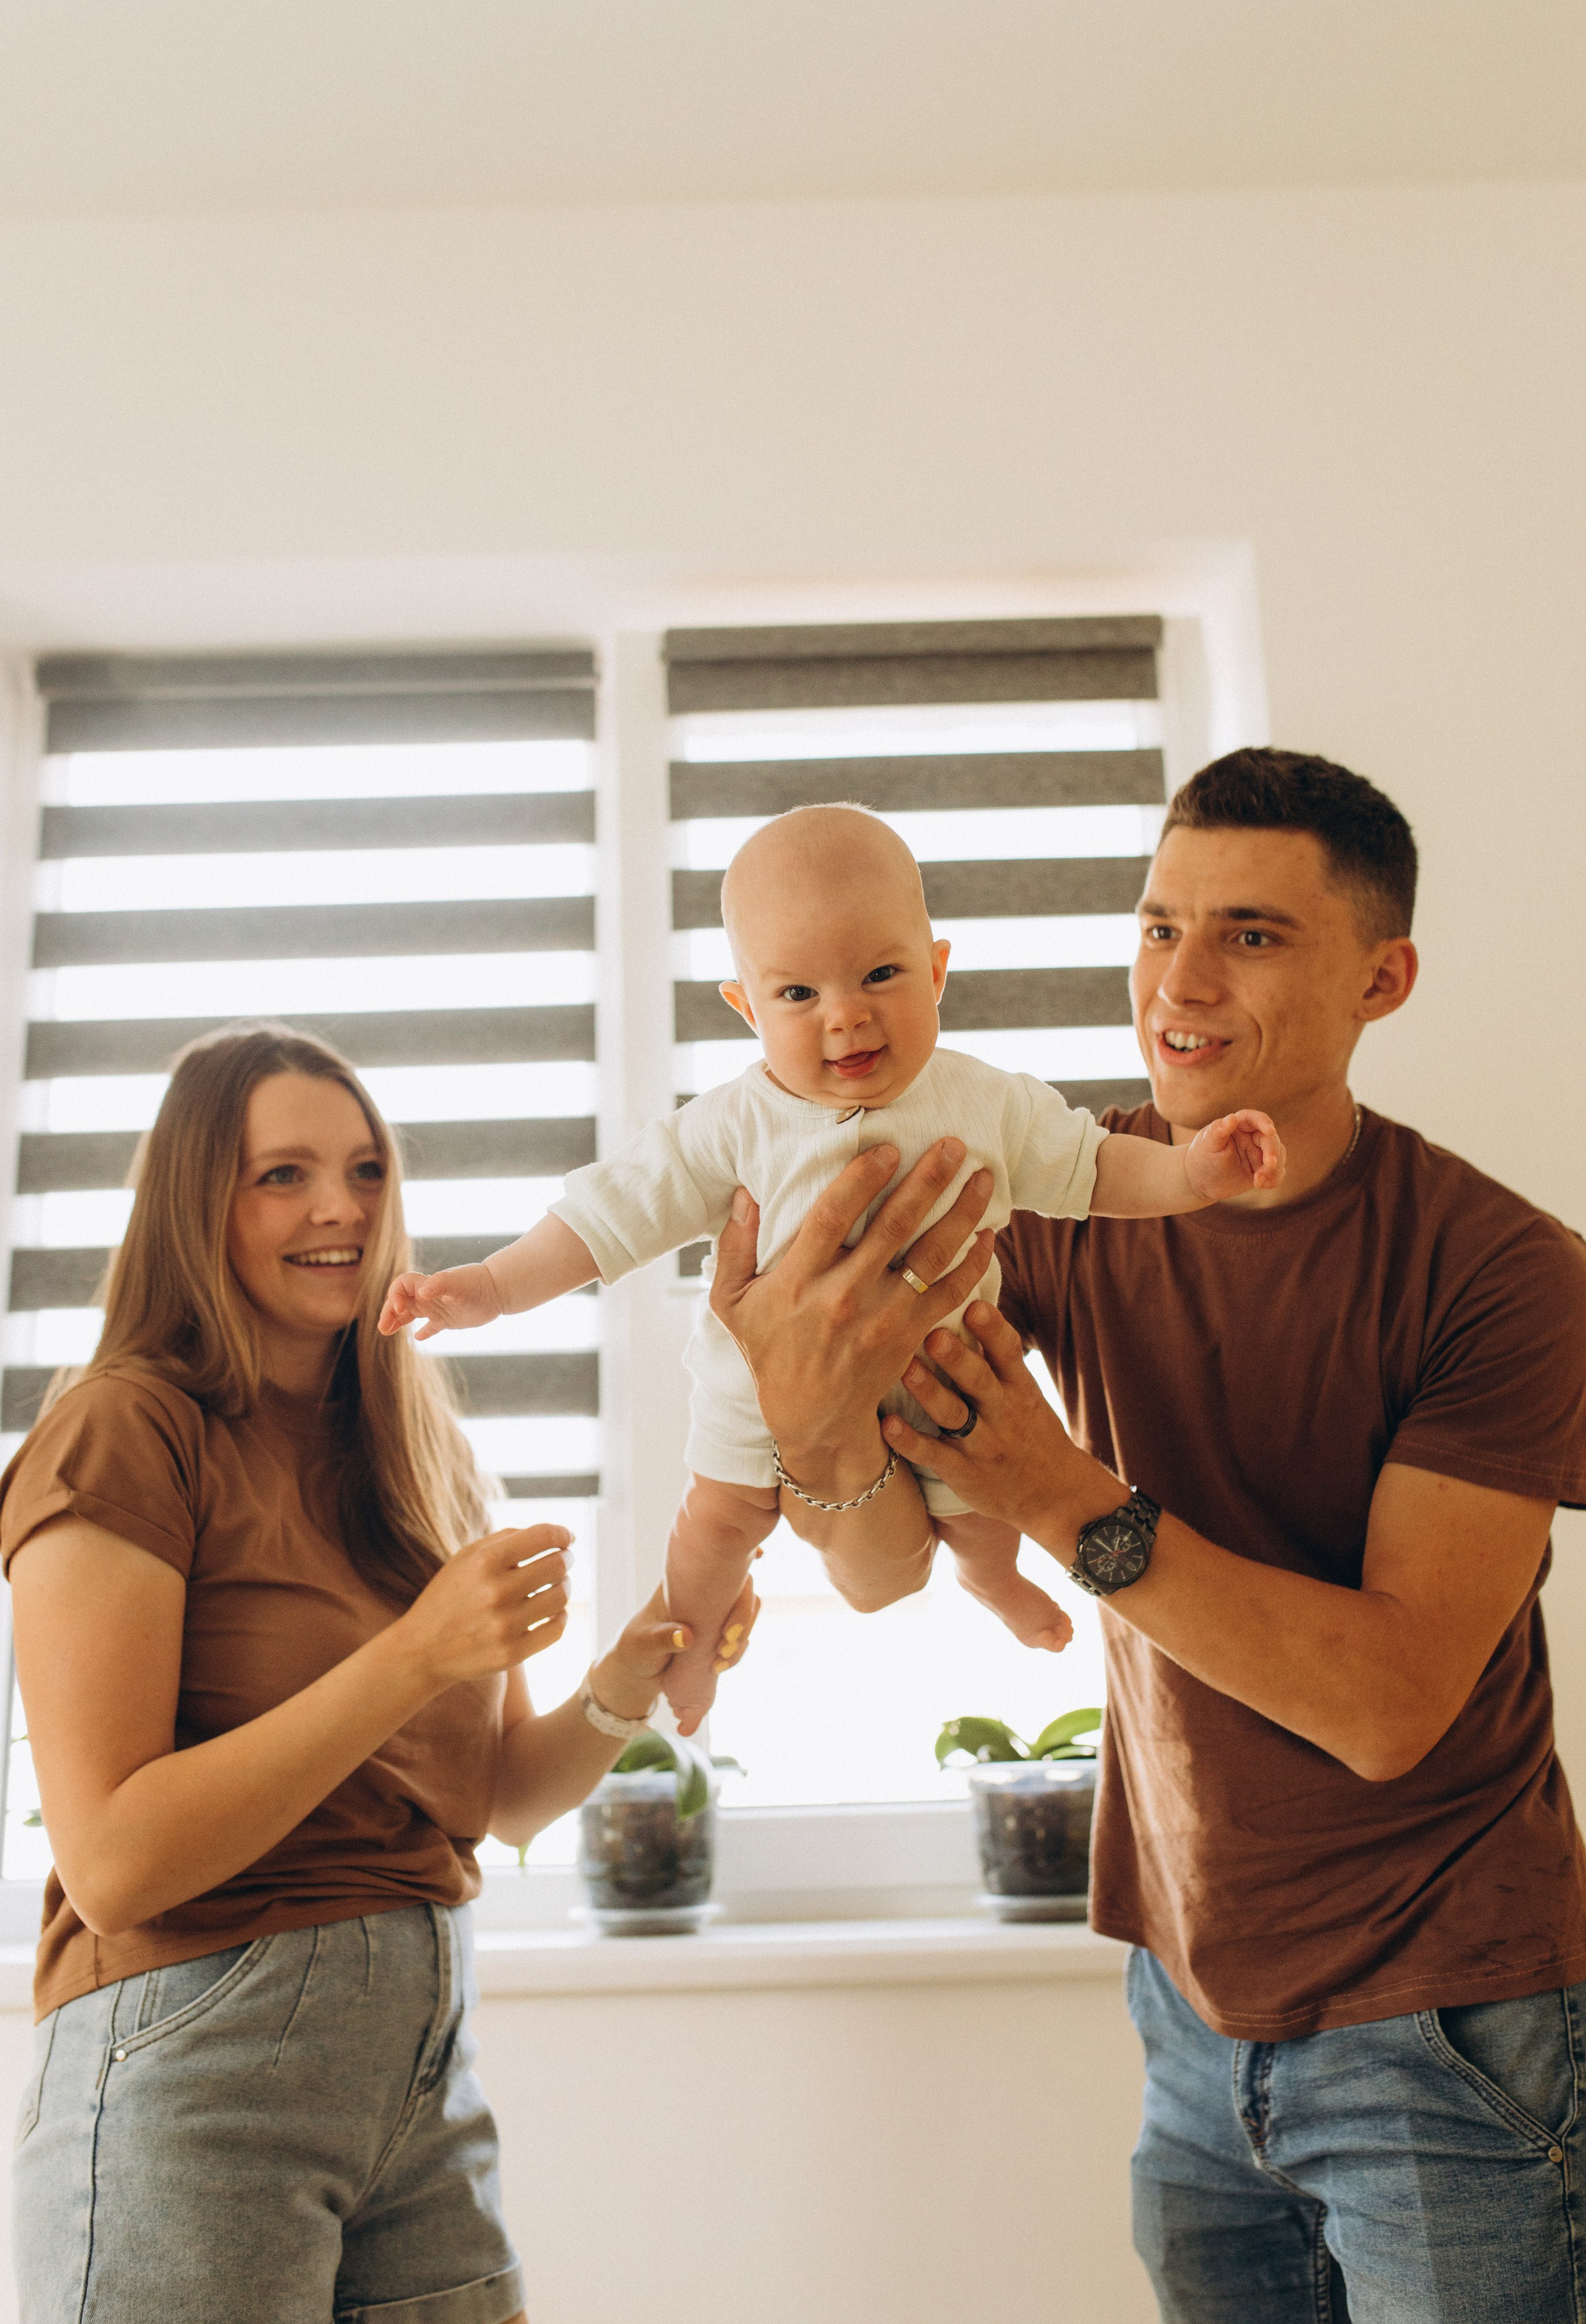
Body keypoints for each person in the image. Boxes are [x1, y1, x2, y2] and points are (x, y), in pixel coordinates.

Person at [708, 749, 1586, 2323]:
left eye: (1248, 935)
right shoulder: (1051, 1191)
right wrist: (804, 1413)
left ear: (1380, 978)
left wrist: (1053, 1493)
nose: (1176, 982)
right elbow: (879, 1562)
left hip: (1450, 2024)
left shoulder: (1503, 1277)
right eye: (1155, 924)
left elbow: (1384, 1705)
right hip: (1185, 2012)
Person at [0, 1021, 758, 2324]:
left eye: (365, 1170)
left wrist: (630, 1673)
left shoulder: (413, 1449)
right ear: (197, 1202)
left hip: (417, 2074)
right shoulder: (127, 1429)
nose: (341, 1207)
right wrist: (413, 1657)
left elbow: (499, 1798)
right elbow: (116, 1860)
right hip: (200, 2068)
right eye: (281, 1175)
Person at [379, 804, 1282, 1731]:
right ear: (745, 1006)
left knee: (983, 1510)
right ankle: (690, 1651)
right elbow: (609, 1216)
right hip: (757, 1389)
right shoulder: (731, 1122)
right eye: (799, 995)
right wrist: (491, 1286)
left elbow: (1093, 1168)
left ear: (936, 971)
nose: (846, 1016)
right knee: (714, 1528)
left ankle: (991, 1581)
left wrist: (1192, 1170)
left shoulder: (986, 1099)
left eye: (881, 975)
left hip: (944, 1375)